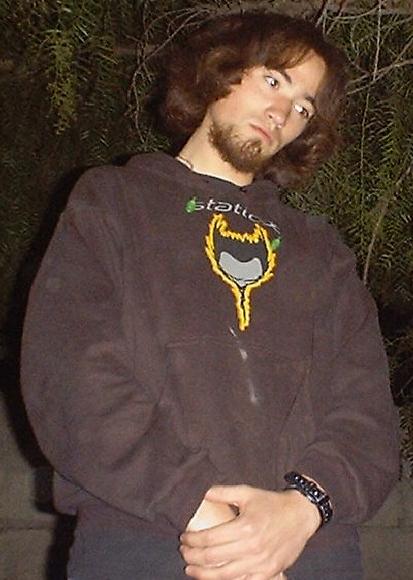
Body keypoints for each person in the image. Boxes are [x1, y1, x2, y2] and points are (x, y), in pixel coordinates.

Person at [21, 10, 399, 580]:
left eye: (304, 107)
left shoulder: (321, 250)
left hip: (308, 555)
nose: (283, 113)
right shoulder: (115, 201)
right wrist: (201, 511)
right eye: (273, 81)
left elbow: (367, 412)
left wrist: (303, 509)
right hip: (150, 543)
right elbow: (70, 372)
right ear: (220, 69)